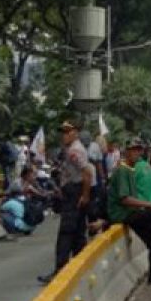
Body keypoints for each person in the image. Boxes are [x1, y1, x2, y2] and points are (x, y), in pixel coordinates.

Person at [108, 139, 151, 285]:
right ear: (127, 151)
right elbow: (124, 199)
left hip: (131, 211)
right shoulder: (123, 170)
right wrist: (150, 204)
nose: (137, 153)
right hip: (124, 213)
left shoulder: (131, 169)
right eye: (133, 150)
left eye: (139, 150)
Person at [38, 120, 94, 285]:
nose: (64, 135)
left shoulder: (75, 151)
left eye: (68, 132)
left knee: (66, 232)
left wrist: (85, 195)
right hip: (73, 191)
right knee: (77, 233)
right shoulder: (71, 149)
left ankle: (60, 270)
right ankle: (79, 268)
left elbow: (87, 173)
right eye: (63, 132)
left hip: (75, 192)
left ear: (75, 132)